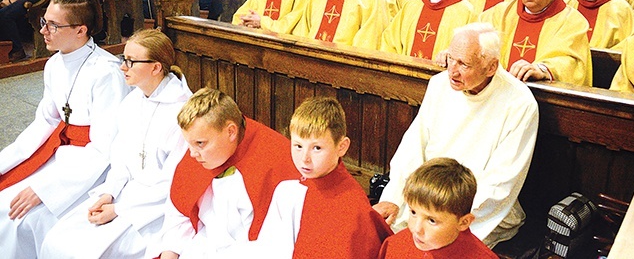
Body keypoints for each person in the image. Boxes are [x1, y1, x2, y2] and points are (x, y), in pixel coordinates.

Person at [374, 23, 538, 248]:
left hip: (474, 212)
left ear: (491, 67)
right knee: (387, 240)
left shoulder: (519, 103)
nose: (452, 70)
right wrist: (394, 196)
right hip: (423, 199)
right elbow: (412, 147)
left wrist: (445, 218)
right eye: (451, 58)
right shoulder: (439, 85)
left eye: (464, 64)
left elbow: (501, 181)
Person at [40, 29, 192, 258]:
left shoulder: (182, 113)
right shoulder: (131, 102)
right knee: (56, 238)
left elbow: (174, 181)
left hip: (158, 207)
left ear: (156, 67)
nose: (122, 67)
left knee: (89, 251)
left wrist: (120, 210)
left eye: (131, 62)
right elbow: (119, 157)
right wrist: (109, 193)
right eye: (124, 59)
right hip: (124, 192)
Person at [0, 0, 129, 258]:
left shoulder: (106, 72)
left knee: (22, 216)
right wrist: (7, 160)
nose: (44, 31)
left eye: (53, 25)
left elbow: (106, 146)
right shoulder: (54, 63)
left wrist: (45, 190)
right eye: (44, 22)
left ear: (81, 30)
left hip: (92, 166)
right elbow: (45, 121)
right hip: (59, 152)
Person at [221, 96, 393, 258]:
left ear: (342, 147)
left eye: (316, 148)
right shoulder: (287, 190)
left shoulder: (351, 206)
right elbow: (270, 249)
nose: (304, 158)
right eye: (298, 146)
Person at [149, 88, 299, 258]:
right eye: (189, 144)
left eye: (200, 143)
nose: (192, 154)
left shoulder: (276, 156)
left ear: (231, 132)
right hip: (204, 246)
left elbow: (281, 241)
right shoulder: (200, 153)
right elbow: (179, 214)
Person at [480, 0, 592, 85]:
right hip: (498, 91)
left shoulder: (572, 21)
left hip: (547, 97)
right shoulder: (500, 13)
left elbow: (572, 62)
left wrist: (544, 69)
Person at [378, 158, 499, 259]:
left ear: (463, 222)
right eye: (413, 212)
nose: (416, 229)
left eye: (432, 220)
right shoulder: (395, 245)